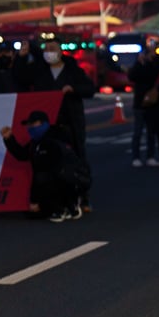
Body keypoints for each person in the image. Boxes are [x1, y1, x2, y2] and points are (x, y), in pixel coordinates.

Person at [16, 38, 96, 210]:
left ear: (60, 51)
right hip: (48, 124)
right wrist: (21, 58)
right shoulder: (39, 71)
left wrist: (73, 89)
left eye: (53, 48)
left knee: (76, 157)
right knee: (46, 159)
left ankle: (83, 197)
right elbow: (20, 78)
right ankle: (53, 198)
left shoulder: (72, 70)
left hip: (70, 121)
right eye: (46, 49)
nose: (49, 52)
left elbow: (89, 89)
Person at [0, 110, 85, 223]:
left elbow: (43, 171)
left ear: (43, 123)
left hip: (72, 178)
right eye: (29, 125)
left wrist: (34, 200)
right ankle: (68, 206)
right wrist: (9, 138)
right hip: (65, 178)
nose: (30, 127)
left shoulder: (54, 139)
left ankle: (63, 206)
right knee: (35, 213)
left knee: (46, 178)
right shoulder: (37, 142)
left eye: (33, 124)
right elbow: (23, 154)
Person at [128, 47, 159, 167]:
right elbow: (131, 76)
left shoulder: (152, 66)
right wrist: (138, 63)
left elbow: (154, 75)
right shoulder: (138, 66)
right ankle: (136, 156)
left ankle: (150, 156)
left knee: (150, 131)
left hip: (150, 102)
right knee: (138, 131)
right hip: (139, 103)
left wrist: (150, 62)